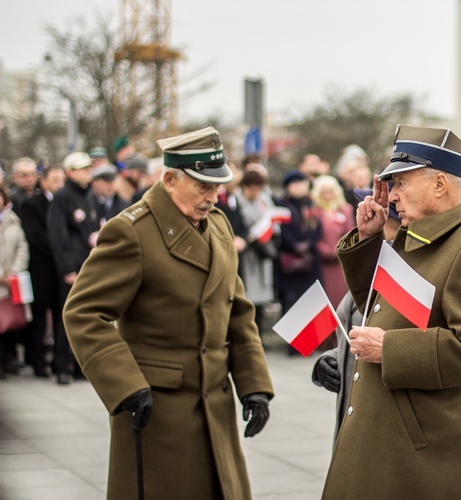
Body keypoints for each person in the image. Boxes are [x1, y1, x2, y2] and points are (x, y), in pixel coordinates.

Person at [63, 126, 274, 499]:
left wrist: (254, 385)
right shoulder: (131, 232)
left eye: (218, 187)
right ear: (170, 179)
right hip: (158, 408)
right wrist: (125, 385)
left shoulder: (220, 227)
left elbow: (237, 312)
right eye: (203, 187)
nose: (213, 197)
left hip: (215, 403)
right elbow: (83, 312)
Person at [322, 125, 461, 499]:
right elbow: (376, 311)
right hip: (392, 429)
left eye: (401, 184)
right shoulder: (419, 233)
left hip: (428, 442)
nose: (391, 196)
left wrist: (389, 349)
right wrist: (368, 241)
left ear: (439, 184)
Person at [312, 188, 402, 440]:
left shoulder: (403, 279)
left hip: (382, 426)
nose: (364, 220)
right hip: (351, 417)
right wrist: (329, 361)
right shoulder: (371, 271)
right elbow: (352, 331)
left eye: (374, 215)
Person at [48, 152, 99, 384]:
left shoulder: (89, 195)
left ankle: (80, 365)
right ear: (70, 172)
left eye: (89, 168)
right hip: (72, 268)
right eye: (82, 168)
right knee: (66, 317)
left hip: (88, 265)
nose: (88, 171)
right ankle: (62, 366)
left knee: (86, 318)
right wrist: (67, 268)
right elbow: (58, 235)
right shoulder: (62, 197)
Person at [18, 166, 67, 377]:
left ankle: (58, 361)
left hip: (60, 268)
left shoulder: (63, 202)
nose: (59, 184)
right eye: (55, 179)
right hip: (41, 268)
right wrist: (57, 248)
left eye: (61, 180)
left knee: (59, 314)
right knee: (38, 316)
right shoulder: (32, 204)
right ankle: (38, 362)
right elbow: (35, 236)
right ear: (44, 181)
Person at [276, 170, 321, 350]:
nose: (299, 188)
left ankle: (308, 343)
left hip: (310, 260)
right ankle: (292, 345)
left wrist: (308, 244)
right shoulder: (281, 205)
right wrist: (296, 246)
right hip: (290, 263)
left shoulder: (311, 204)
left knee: (310, 300)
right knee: (291, 301)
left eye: (302, 184)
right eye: (295, 185)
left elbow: (318, 230)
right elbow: (281, 231)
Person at [237, 170, 278, 337]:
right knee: (249, 296)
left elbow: (272, 217)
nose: (255, 192)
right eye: (252, 188)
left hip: (263, 252)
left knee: (262, 298)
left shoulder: (263, 201)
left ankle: (259, 334)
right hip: (248, 255)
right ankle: (250, 335)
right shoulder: (237, 202)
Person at [310, 175, 355, 309]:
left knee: (341, 297)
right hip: (323, 263)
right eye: (323, 192)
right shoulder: (314, 212)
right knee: (326, 298)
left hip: (341, 261)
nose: (327, 195)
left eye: (330, 191)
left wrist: (341, 250)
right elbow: (313, 236)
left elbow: (350, 232)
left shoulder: (345, 210)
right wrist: (325, 251)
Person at [0, 185, 30, 378]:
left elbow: (22, 247)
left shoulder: (13, 220)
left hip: (10, 281)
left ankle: (7, 361)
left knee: (8, 323)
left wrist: (13, 272)